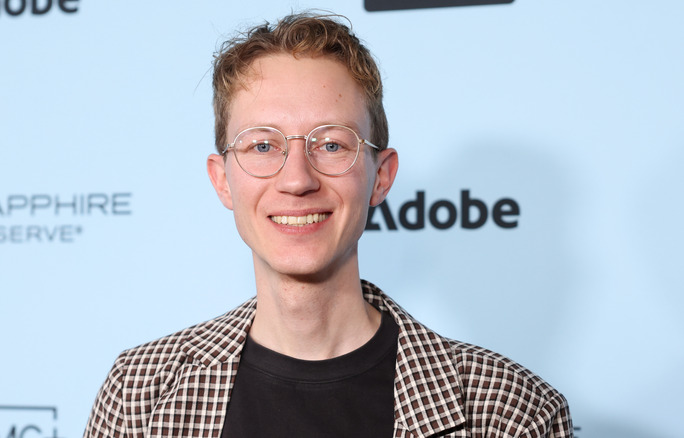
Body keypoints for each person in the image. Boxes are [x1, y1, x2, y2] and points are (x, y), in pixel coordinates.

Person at [83, 12, 572, 438]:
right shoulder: (139, 394)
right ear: (223, 181)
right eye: (262, 146)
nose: (296, 179)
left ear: (381, 177)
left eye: (331, 145)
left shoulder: (510, 413)